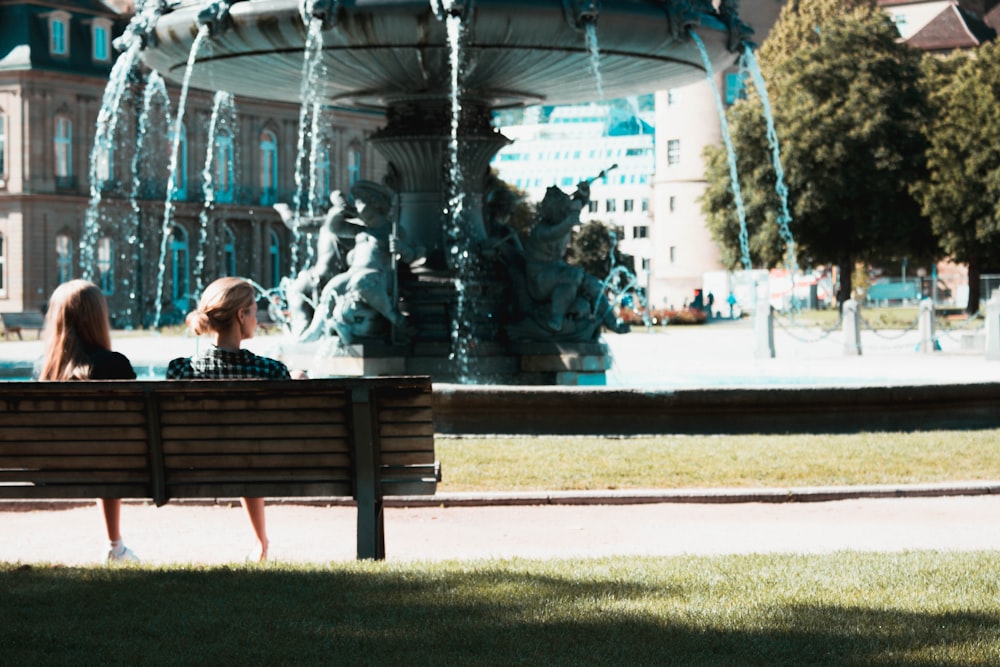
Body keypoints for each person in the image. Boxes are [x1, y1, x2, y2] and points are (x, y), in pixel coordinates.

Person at [166, 277, 297, 562]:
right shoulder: (271, 371)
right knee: (248, 454)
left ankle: (261, 543)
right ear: (241, 315)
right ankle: (261, 543)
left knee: (243, 453)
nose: (257, 317)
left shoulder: (181, 371)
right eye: (254, 309)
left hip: (194, 467)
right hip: (258, 465)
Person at [34, 279, 139, 565]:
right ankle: (115, 546)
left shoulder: (44, 369)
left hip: (54, 466)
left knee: (104, 452)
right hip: (112, 463)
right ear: (98, 318)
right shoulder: (115, 364)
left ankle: (114, 546)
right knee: (108, 452)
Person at [300, 180, 423, 343]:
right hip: (353, 273)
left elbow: (413, 255)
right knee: (331, 287)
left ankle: (396, 318)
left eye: (359, 202)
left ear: (375, 205)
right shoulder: (360, 229)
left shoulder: (391, 229)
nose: (356, 207)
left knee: (361, 281)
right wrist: (340, 209)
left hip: (378, 276)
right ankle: (316, 330)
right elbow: (333, 227)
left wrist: (401, 248)